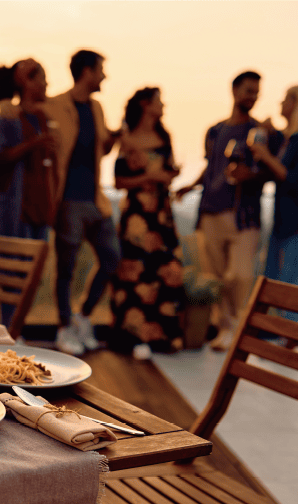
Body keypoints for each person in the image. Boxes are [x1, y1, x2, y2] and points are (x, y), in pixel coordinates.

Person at [174, 70, 282, 351]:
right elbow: (212, 167)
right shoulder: (215, 131)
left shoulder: (260, 132)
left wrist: (252, 175)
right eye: (248, 91)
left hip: (243, 216)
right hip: (210, 211)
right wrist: (190, 186)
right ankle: (224, 329)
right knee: (216, 277)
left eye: (256, 92)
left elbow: (271, 172)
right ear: (234, 91)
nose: (253, 97)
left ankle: (236, 326)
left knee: (241, 275)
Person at [44, 49, 122, 355]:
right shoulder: (55, 106)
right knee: (66, 267)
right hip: (68, 201)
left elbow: (100, 149)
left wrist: (114, 138)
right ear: (87, 72)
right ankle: (64, 327)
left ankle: (83, 316)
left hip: (95, 199)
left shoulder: (97, 108)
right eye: (101, 70)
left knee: (112, 258)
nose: (104, 76)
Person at [110, 87, 186, 360]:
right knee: (136, 274)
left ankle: (162, 336)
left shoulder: (164, 136)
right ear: (145, 105)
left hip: (161, 214)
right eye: (159, 101)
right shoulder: (128, 138)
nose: (163, 105)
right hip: (137, 216)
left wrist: (168, 176)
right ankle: (134, 338)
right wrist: (149, 178)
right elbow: (119, 181)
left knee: (166, 269)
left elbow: (167, 171)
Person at [0, 58, 59, 328]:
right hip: (16, 211)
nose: (47, 84)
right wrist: (33, 145)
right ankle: (10, 330)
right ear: (27, 82)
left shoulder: (42, 118)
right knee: (12, 275)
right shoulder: (9, 119)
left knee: (32, 277)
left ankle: (16, 329)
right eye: (42, 78)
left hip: (39, 209)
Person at [250, 85, 298, 335]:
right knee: (275, 278)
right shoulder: (291, 139)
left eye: (285, 100)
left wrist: (264, 155)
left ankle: (292, 335)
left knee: (290, 281)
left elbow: (297, 181)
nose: (280, 104)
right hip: (285, 219)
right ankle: (285, 333)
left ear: (297, 105)